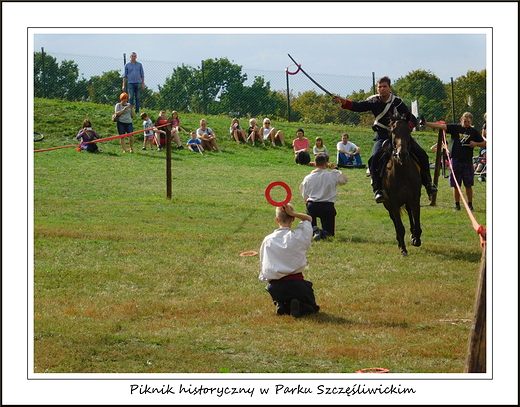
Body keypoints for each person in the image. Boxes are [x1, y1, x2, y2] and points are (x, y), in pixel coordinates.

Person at [332, 76, 437, 203]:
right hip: (382, 136)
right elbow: (358, 106)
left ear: (389, 88)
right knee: (374, 158)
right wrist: (344, 101)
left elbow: (412, 118)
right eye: (379, 87)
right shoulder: (373, 101)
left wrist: (407, 128)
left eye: (384, 86)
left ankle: (428, 184)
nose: (382, 89)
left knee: (422, 154)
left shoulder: (397, 102)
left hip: (399, 136)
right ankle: (377, 189)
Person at [259, 203, 320, 318]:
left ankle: (282, 305)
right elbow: (309, 219)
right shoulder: (299, 236)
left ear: (277, 219)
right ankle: (298, 306)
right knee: (313, 308)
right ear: (293, 219)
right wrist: (293, 213)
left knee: (283, 297)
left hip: (276, 287)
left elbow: (264, 266)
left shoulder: (268, 240)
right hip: (298, 284)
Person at [422, 112, 486, 211]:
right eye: (465, 121)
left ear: (471, 121)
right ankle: (457, 205)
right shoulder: (455, 128)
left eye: (468, 122)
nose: (466, 123)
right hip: (455, 159)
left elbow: (484, 143)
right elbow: (441, 125)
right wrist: (426, 123)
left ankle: (470, 204)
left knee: (468, 184)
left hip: (467, 160)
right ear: (461, 120)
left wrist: (476, 144)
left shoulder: (473, 132)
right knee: (456, 184)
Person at [299, 154, 348, 241]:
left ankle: (314, 230)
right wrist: (335, 169)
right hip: (327, 206)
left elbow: (304, 194)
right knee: (329, 234)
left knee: (310, 230)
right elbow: (344, 181)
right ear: (326, 164)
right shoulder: (332, 175)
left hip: (312, 205)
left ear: (314, 164)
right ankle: (321, 232)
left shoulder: (308, 178)